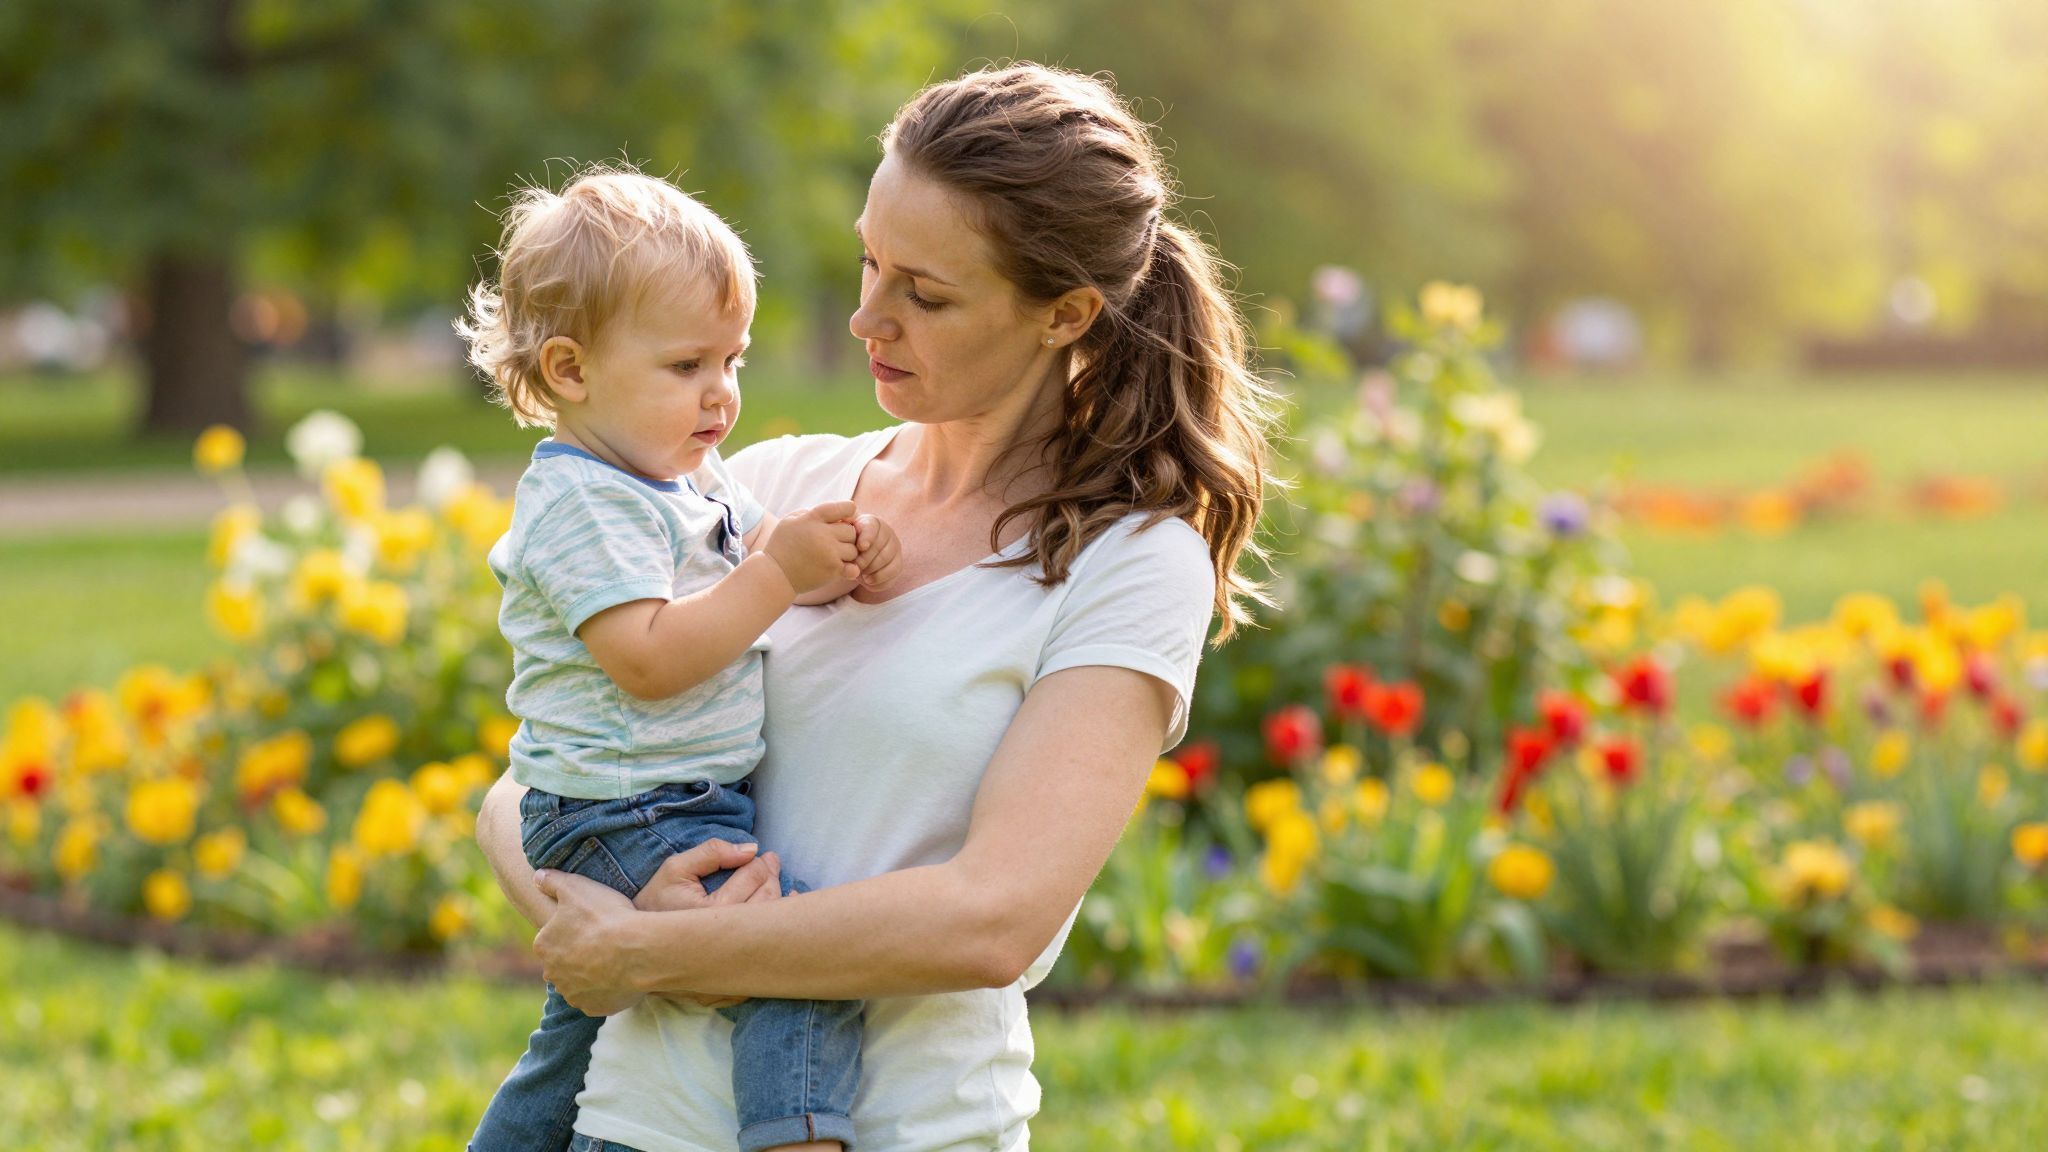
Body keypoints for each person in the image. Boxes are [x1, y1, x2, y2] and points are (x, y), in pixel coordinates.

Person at [475, 63, 1277, 1152]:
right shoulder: (766, 490)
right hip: (634, 1122)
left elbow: (993, 918)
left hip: (906, 1129)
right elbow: (526, 787)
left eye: (924, 294)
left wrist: (654, 957)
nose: (865, 318)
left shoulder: (1128, 562)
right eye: (868, 261)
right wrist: (600, 918)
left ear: (1067, 314)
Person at [458, 168, 904, 1152]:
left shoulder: (680, 480)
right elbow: (651, 657)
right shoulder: (583, 504)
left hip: (666, 802)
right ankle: (795, 1135)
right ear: (571, 372)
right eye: (685, 365)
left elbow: (740, 577)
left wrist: (824, 565)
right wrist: (776, 578)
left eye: (732, 359)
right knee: (796, 962)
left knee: (573, 1049)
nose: (721, 394)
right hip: (622, 810)